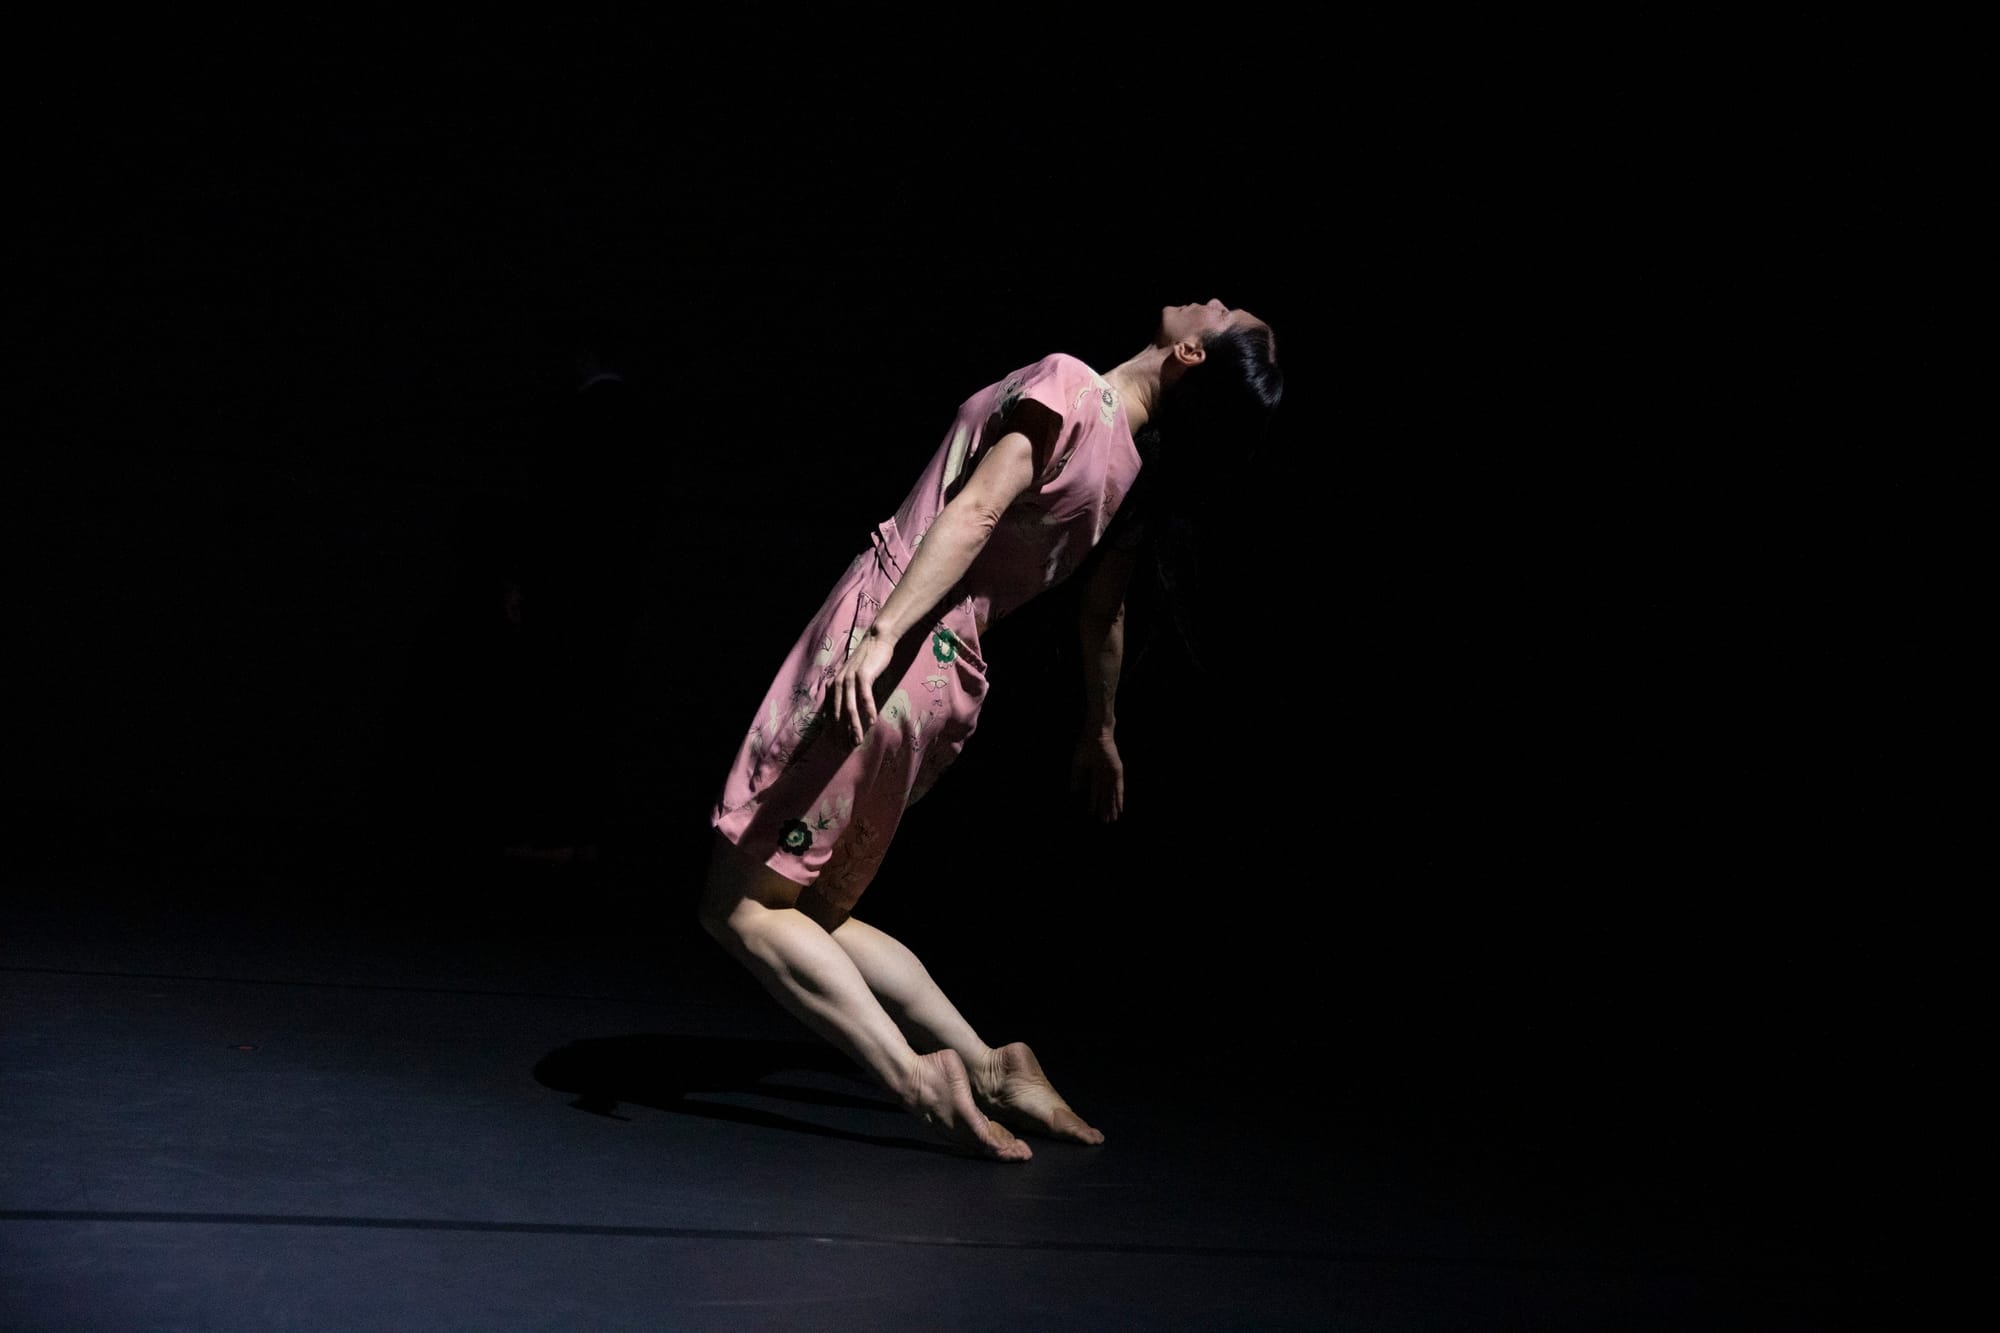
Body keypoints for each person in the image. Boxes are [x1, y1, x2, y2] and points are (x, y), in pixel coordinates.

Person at [696, 299, 1283, 1161]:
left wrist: (880, 635)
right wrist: (1102, 727)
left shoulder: (1072, 386)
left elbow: (973, 513)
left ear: (1193, 352)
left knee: (738, 905)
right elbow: (1103, 615)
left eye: (1224, 312)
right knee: (816, 912)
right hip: (947, 685)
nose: (1211, 298)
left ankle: (916, 1079)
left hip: (895, 642)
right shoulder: (1132, 473)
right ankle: (992, 1065)